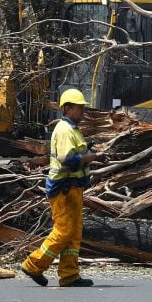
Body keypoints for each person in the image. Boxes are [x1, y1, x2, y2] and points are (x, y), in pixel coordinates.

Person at [20, 88, 106, 288]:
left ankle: (69, 275)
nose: (83, 110)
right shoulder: (65, 130)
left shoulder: (73, 129)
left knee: (73, 233)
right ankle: (33, 265)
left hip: (73, 187)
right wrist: (94, 157)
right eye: (79, 107)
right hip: (64, 188)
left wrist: (92, 152)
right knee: (64, 231)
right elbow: (68, 159)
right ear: (67, 109)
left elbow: (78, 154)